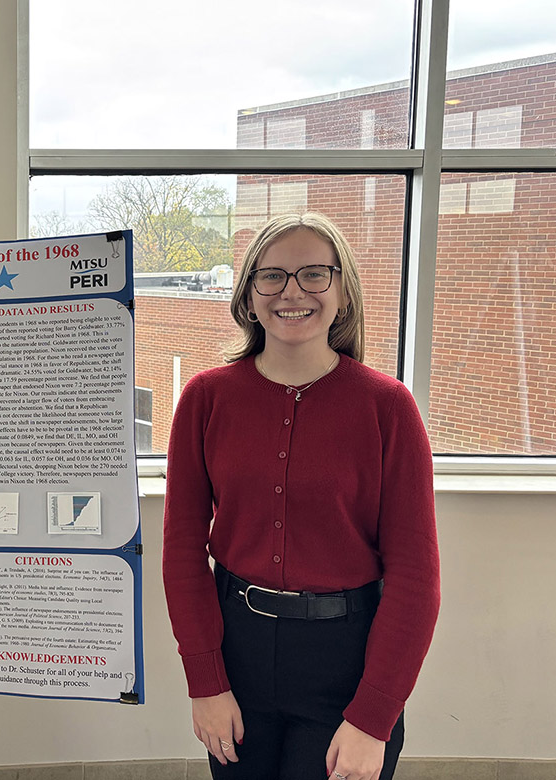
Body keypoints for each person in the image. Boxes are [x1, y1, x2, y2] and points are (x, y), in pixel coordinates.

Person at [162, 213, 440, 780]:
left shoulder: (388, 407)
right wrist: (205, 682)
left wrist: (374, 718)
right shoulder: (205, 398)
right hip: (237, 656)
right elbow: (182, 552)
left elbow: (415, 577)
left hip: (346, 665)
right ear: (249, 295)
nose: (293, 291)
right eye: (272, 276)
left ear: (342, 290)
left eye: (315, 273)